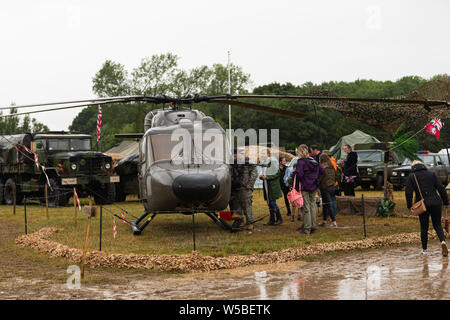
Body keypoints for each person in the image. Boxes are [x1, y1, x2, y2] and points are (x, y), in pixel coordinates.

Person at [405, 160, 448, 256]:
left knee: (424, 227)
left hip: (422, 205)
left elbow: (408, 192)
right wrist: (446, 202)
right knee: (437, 225)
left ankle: (424, 250)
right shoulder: (431, 174)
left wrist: (409, 205)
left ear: (413, 167)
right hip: (436, 202)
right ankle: (443, 242)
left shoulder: (412, 176)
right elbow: (441, 188)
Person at [294, 145, 324, 234]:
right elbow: (322, 171)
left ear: (299, 153)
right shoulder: (313, 161)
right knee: (312, 206)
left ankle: (307, 228)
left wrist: (296, 173)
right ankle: (313, 226)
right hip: (313, 186)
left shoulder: (301, 162)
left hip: (305, 186)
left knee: (306, 207)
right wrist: (314, 176)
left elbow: (299, 175)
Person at [230, 148, 258, 230]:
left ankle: (250, 223)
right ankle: (239, 221)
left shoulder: (248, 163)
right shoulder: (231, 163)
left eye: (236, 154)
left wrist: (250, 184)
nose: (235, 156)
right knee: (236, 207)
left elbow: (254, 173)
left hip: (245, 188)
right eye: (234, 154)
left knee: (246, 206)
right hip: (235, 188)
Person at [260, 148, 283, 226]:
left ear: (268, 154)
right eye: (261, 153)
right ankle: (272, 219)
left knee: (273, 203)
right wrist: (261, 176)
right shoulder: (264, 163)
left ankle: (279, 218)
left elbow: (277, 173)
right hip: (266, 185)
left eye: (263, 153)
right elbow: (265, 173)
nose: (262, 155)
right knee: (269, 203)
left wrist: (267, 177)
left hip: (272, 186)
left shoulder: (272, 161)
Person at [318, 154, 338, 227]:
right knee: (325, 204)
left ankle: (334, 221)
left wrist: (317, 184)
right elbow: (336, 175)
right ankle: (324, 220)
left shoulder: (323, 168)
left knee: (328, 205)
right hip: (332, 186)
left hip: (325, 187)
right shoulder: (331, 167)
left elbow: (319, 178)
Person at [323, 149, 338, 216]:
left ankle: (331, 213)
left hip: (330, 183)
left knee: (329, 199)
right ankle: (333, 212)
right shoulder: (333, 161)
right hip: (334, 183)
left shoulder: (329, 163)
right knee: (333, 198)